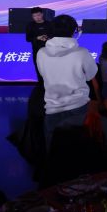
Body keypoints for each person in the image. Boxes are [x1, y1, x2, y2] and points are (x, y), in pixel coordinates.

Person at [37, 15, 99, 149]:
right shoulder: (82, 53)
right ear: (73, 31)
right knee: (78, 151)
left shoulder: (41, 53)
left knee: (53, 152)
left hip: (52, 108)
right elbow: (91, 75)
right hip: (78, 107)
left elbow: (43, 74)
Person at [25, 7, 54, 84]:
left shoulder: (50, 24)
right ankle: (41, 85)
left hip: (50, 51)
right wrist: (38, 38)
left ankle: (51, 84)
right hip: (37, 51)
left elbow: (54, 36)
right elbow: (28, 38)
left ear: (42, 14)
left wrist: (48, 38)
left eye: (38, 15)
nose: (37, 17)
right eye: (34, 16)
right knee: (39, 69)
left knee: (50, 69)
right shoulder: (30, 25)